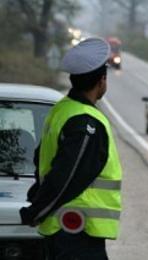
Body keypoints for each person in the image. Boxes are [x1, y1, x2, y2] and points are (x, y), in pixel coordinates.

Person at [19, 37, 123, 260]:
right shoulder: (86, 121)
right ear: (101, 81)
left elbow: (42, 157)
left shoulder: (61, 109)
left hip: (63, 230)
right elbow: (67, 175)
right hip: (77, 230)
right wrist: (38, 209)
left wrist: (38, 195)